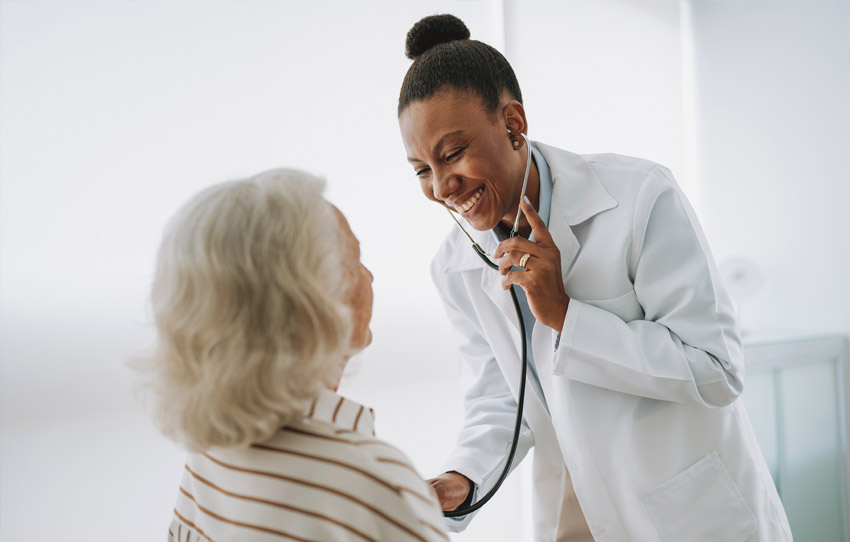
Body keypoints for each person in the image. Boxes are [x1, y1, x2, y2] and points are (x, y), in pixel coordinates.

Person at [397, 14, 792, 542]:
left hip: (687, 516)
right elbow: (501, 400)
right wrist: (461, 478)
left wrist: (565, 315)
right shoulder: (455, 267)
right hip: (577, 516)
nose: (442, 186)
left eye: (452, 154)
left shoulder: (637, 197)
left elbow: (717, 370)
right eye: (422, 169)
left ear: (513, 123)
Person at [136, 169, 448, 542]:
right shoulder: (371, 484)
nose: (370, 276)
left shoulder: (209, 454)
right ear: (313, 301)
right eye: (355, 258)